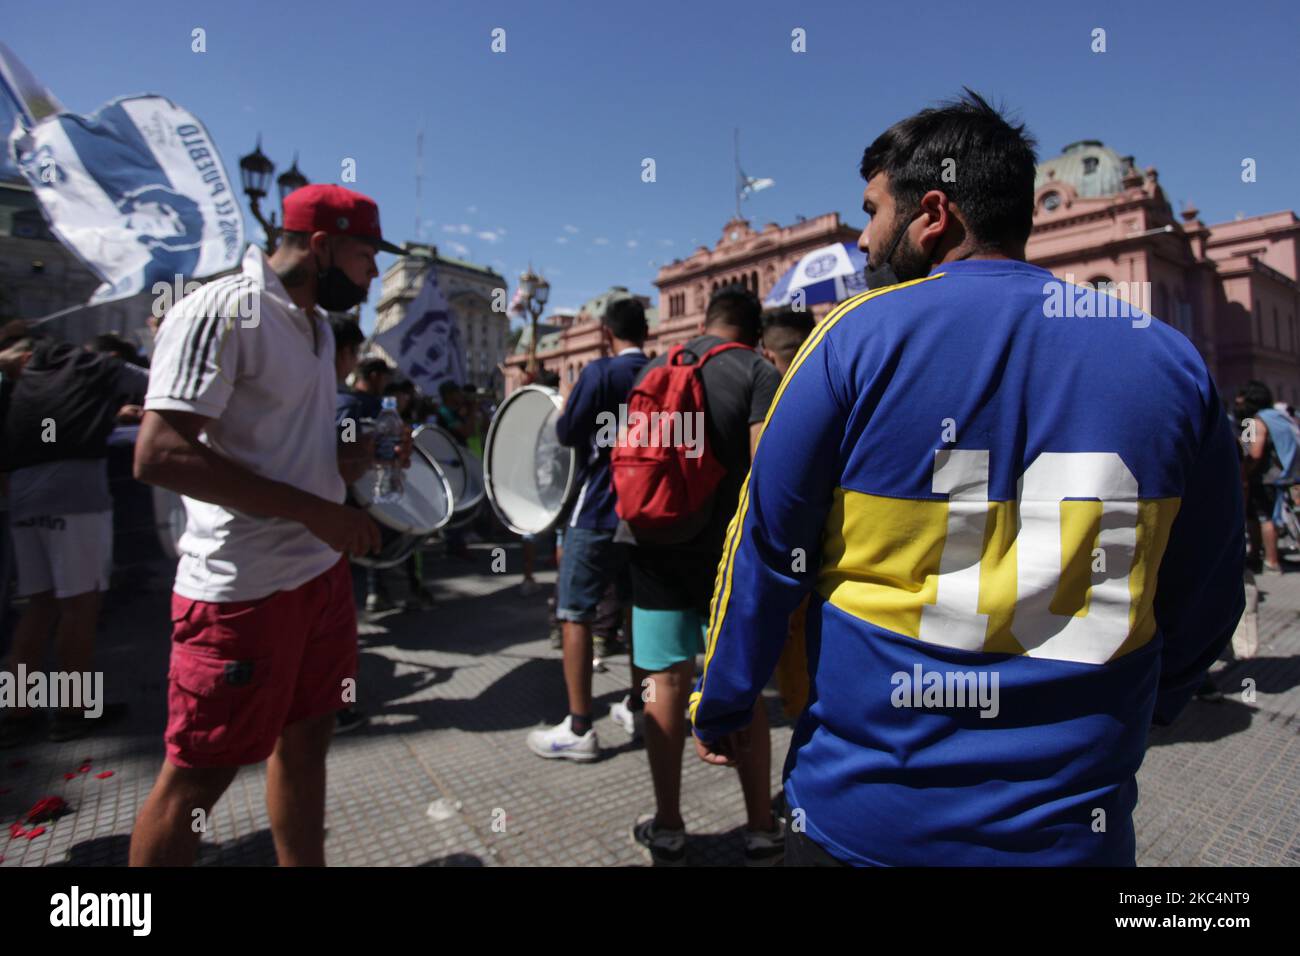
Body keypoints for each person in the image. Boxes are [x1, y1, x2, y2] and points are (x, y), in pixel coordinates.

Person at [687, 90, 1244, 867]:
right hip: (1069, 829)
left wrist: (724, 701)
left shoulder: (853, 341)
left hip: (867, 818)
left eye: (873, 212)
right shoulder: (1169, 359)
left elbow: (768, 549)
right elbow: (1212, 584)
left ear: (934, 213)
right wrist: (1158, 700)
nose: (864, 241)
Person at [128, 183, 407, 866]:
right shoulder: (223, 310)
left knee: (309, 737)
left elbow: (291, 459)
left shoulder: (314, 328)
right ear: (320, 246)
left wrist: (354, 460)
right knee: (199, 777)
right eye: (367, 257)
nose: (373, 278)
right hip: (240, 591)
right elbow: (159, 453)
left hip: (316, 578)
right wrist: (318, 512)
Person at [624, 285, 784, 866]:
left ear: (707, 321)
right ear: (753, 331)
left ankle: (668, 827)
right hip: (726, 557)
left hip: (652, 546)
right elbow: (768, 472)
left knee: (662, 684)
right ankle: (761, 827)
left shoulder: (655, 366)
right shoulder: (755, 372)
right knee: (741, 684)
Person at [0, 331, 146, 746]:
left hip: (26, 494)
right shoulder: (93, 366)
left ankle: (16, 713)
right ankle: (71, 711)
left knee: (39, 606)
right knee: (80, 607)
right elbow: (160, 383)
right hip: (77, 495)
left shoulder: (31, 375)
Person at [525, 297, 648, 761]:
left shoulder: (599, 373)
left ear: (606, 333)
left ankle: (579, 728)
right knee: (639, 609)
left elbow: (567, 434)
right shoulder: (660, 369)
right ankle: (639, 705)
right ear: (646, 332)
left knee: (575, 611)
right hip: (645, 513)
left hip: (597, 507)